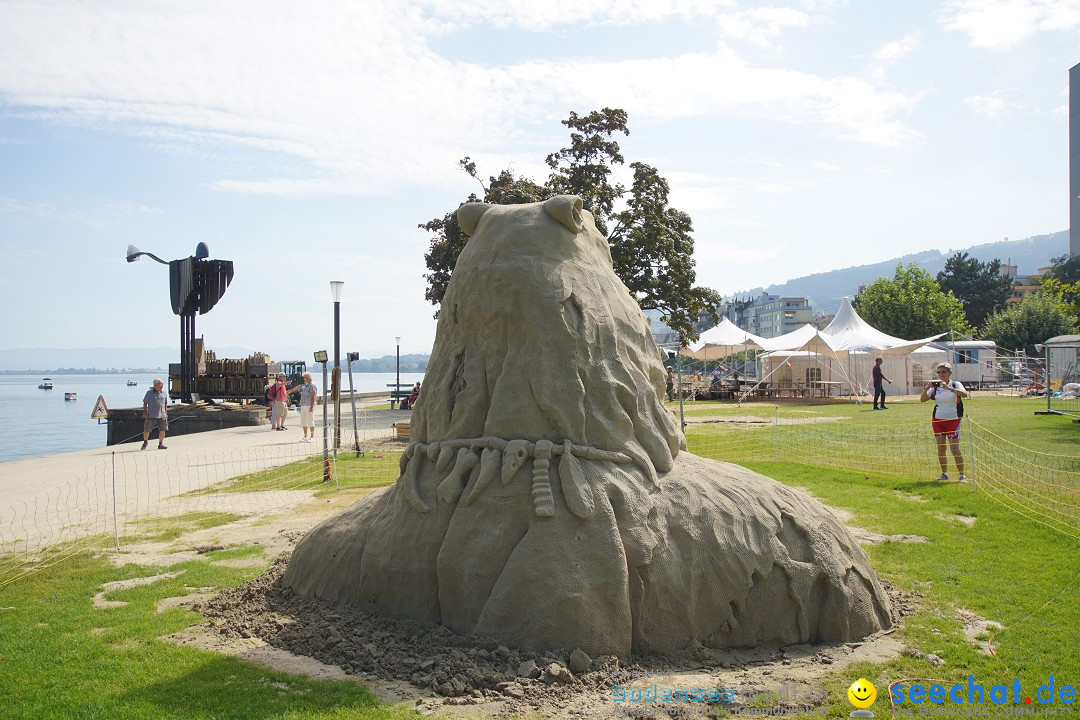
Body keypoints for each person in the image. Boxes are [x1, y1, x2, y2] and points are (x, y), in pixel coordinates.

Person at [920, 362, 968, 482]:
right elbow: (922, 399)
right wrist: (926, 389)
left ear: (949, 373)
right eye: (939, 372)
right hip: (938, 420)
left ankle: (962, 475)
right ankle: (944, 474)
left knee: (954, 447)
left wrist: (949, 389)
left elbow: (965, 394)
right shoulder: (935, 387)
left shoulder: (956, 384)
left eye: (943, 372)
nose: (941, 374)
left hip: (953, 420)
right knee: (941, 448)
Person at [141, 378, 169, 450]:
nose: (162, 385)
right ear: (155, 385)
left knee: (163, 429)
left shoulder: (164, 393)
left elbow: (165, 403)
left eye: (162, 384)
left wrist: (166, 412)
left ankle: (160, 444)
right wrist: (144, 413)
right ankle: (145, 442)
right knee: (147, 430)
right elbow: (145, 403)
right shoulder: (149, 393)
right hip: (151, 415)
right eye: (160, 384)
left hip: (162, 415)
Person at [296, 372, 317, 442]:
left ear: (308, 378)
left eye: (304, 377)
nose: (303, 379)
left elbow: (314, 396)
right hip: (303, 405)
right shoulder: (306, 385)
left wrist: (312, 406)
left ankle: (312, 436)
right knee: (304, 421)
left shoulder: (312, 385)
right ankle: (305, 436)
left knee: (310, 421)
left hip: (308, 405)